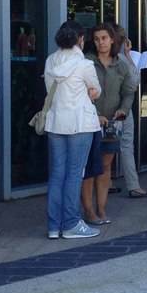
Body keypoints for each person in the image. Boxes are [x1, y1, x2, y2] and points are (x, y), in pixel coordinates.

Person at [44, 21, 102, 239]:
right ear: (80, 39)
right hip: (80, 123)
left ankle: (53, 225)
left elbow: (50, 90)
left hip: (55, 122)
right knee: (74, 174)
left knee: (57, 174)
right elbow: (95, 91)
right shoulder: (85, 64)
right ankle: (70, 224)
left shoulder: (50, 61)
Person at [82, 23, 136, 225]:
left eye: (104, 38)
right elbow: (81, 92)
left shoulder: (121, 64)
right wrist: (95, 114)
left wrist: (124, 109)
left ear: (112, 39)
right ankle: (89, 211)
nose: (100, 42)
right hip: (88, 122)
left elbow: (129, 91)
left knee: (105, 166)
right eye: (96, 39)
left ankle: (102, 209)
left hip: (112, 124)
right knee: (89, 167)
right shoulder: (87, 62)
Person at [113, 25, 147, 199]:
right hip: (123, 108)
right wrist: (129, 55)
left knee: (103, 149)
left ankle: (106, 182)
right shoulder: (122, 59)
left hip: (104, 109)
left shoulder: (98, 60)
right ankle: (133, 186)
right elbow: (134, 81)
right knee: (126, 145)